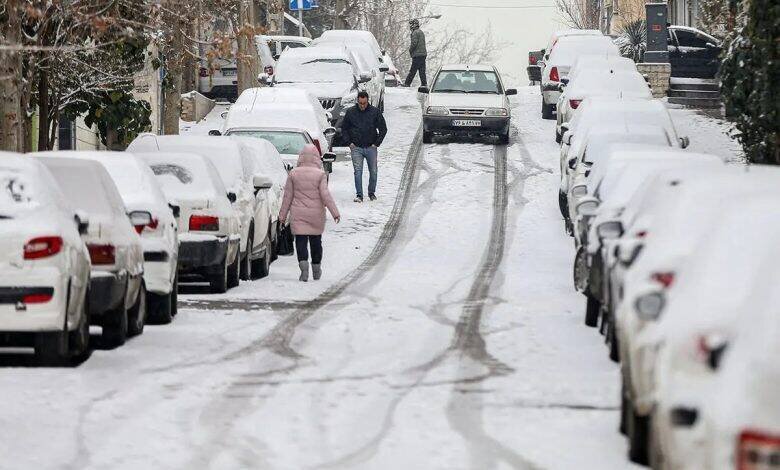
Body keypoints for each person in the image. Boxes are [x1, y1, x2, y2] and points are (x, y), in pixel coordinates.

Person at [279, 144, 341, 282]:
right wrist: (335, 213)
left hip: (298, 214)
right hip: (316, 215)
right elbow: (326, 195)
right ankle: (316, 268)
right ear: (316, 158)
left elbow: (287, 197)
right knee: (316, 241)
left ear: (301, 157)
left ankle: (304, 269)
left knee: (300, 241)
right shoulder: (320, 175)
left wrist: (282, 216)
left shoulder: (293, 174)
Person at [340, 90, 388, 203]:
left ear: (368, 101)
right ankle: (359, 195)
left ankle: (371, 193)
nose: (362, 106)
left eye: (364, 103)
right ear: (357, 101)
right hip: (356, 147)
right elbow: (344, 128)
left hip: (371, 147)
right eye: (360, 103)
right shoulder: (351, 112)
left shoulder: (375, 112)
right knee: (358, 172)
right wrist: (349, 143)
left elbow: (383, 129)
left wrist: (376, 143)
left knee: (373, 172)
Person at [404, 19, 427, 87]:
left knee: (413, 70)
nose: (410, 26)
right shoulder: (421, 32)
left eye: (411, 25)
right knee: (422, 71)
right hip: (423, 55)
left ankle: (407, 83)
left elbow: (414, 43)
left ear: (413, 25)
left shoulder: (415, 33)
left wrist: (410, 50)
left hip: (417, 55)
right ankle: (424, 84)